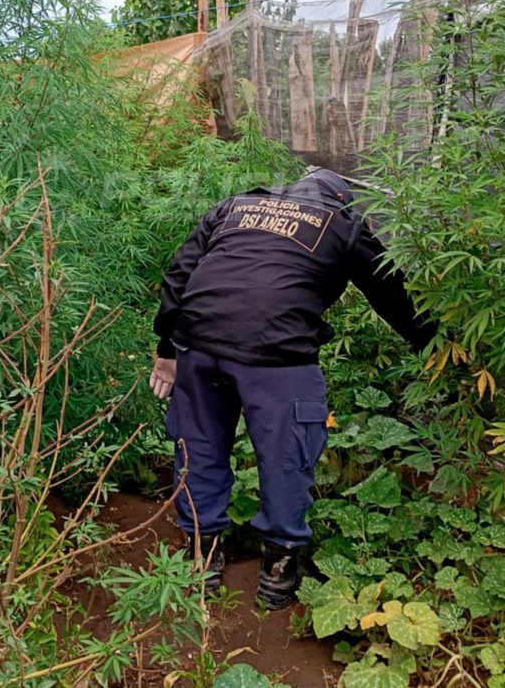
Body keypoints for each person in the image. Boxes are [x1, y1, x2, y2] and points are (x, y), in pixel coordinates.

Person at [149, 168, 435, 609]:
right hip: (277, 355)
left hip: (199, 343)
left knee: (198, 447)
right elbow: (391, 290)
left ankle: (200, 559)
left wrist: (168, 348)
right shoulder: (342, 222)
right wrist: (435, 346)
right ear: (340, 199)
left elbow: (179, 275)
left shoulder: (233, 207)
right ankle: (278, 572)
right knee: (287, 456)